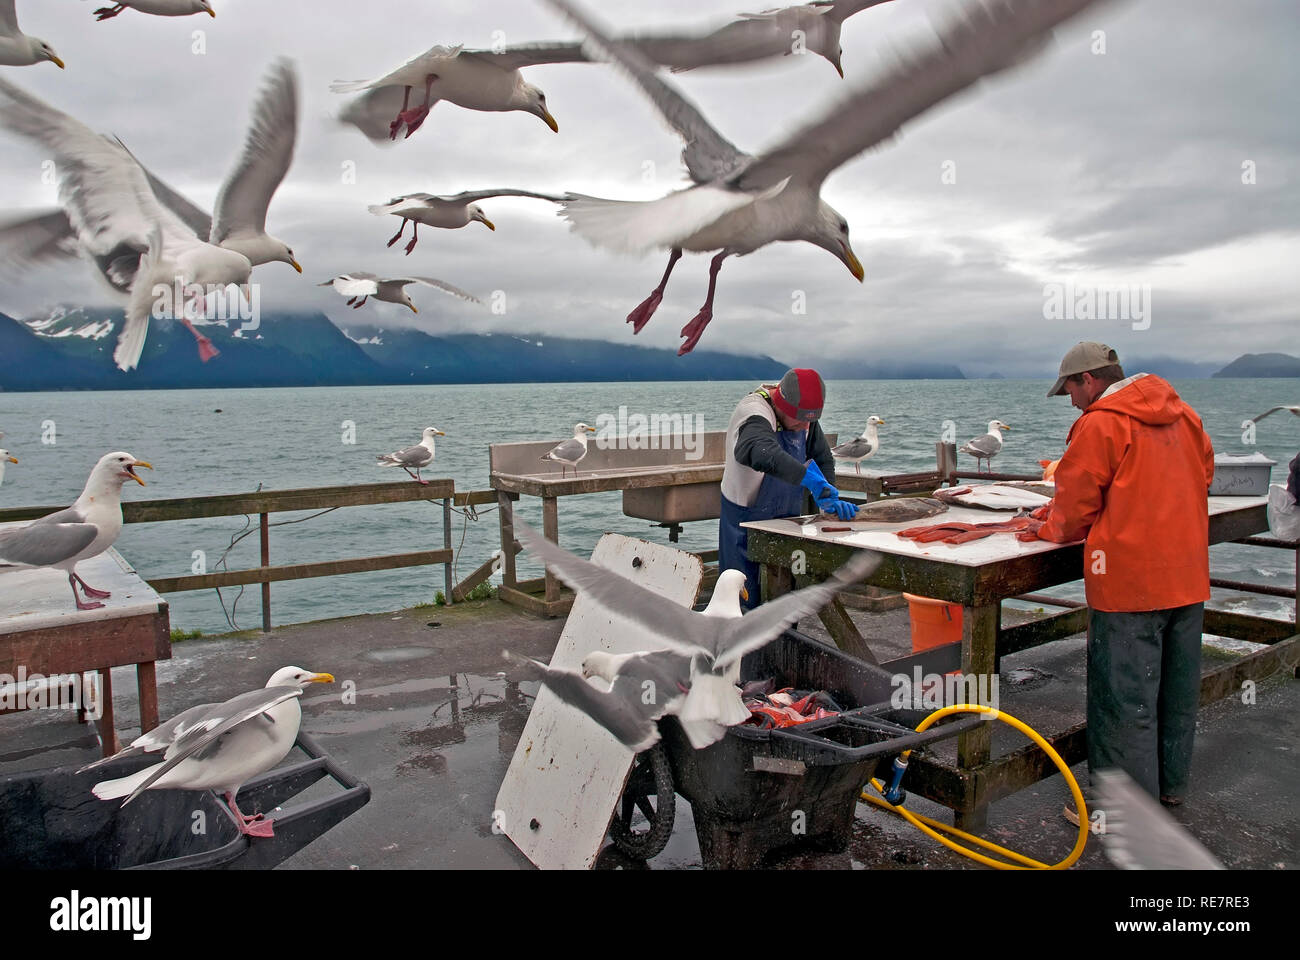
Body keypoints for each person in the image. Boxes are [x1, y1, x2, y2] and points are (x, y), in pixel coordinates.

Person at [1019, 342, 1215, 817]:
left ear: (1089, 379)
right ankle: (1168, 790)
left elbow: (1074, 509)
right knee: (1175, 691)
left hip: (1128, 585)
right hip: (1187, 577)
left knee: (1122, 700)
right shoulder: (1184, 414)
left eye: (1070, 390)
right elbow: (1205, 474)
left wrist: (1043, 525)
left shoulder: (1102, 423)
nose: (1071, 401)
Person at [719, 368, 858, 610]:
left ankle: (783, 648)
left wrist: (828, 495)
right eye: (800, 419)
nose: (805, 426)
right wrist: (807, 479)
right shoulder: (754, 412)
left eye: (810, 420)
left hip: (787, 523)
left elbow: (822, 457)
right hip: (745, 524)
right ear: (780, 404)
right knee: (743, 605)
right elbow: (759, 451)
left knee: (784, 606)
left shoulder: (803, 420)